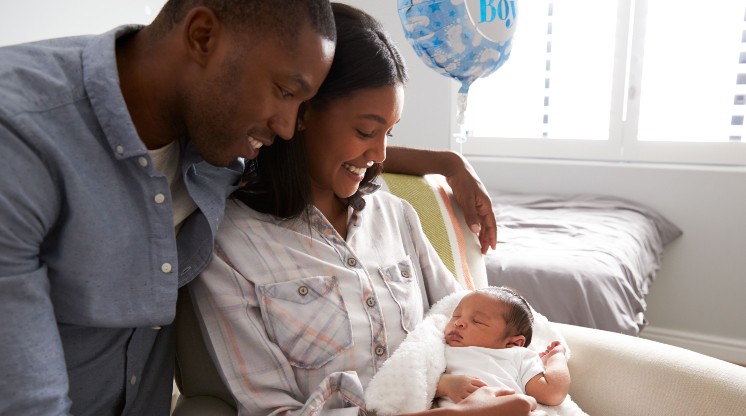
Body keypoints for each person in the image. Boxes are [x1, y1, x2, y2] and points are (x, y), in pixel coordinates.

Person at [0, 1, 498, 415]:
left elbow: (323, 145)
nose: (286, 126)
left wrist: (446, 161)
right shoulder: (21, 141)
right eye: (285, 92)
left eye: (299, 104)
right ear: (201, 37)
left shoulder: (218, 132)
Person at [188, 4, 540, 416]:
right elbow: (271, 411)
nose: (379, 155)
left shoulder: (395, 216)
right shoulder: (231, 244)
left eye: (390, 133)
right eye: (366, 131)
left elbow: (463, 317)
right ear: (301, 113)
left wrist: (540, 364)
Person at [437, 287, 571, 408]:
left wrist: (556, 357)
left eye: (477, 321)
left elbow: (552, 393)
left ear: (512, 343)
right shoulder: (440, 348)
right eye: (456, 316)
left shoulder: (517, 355)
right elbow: (420, 380)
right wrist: (445, 385)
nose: (458, 322)